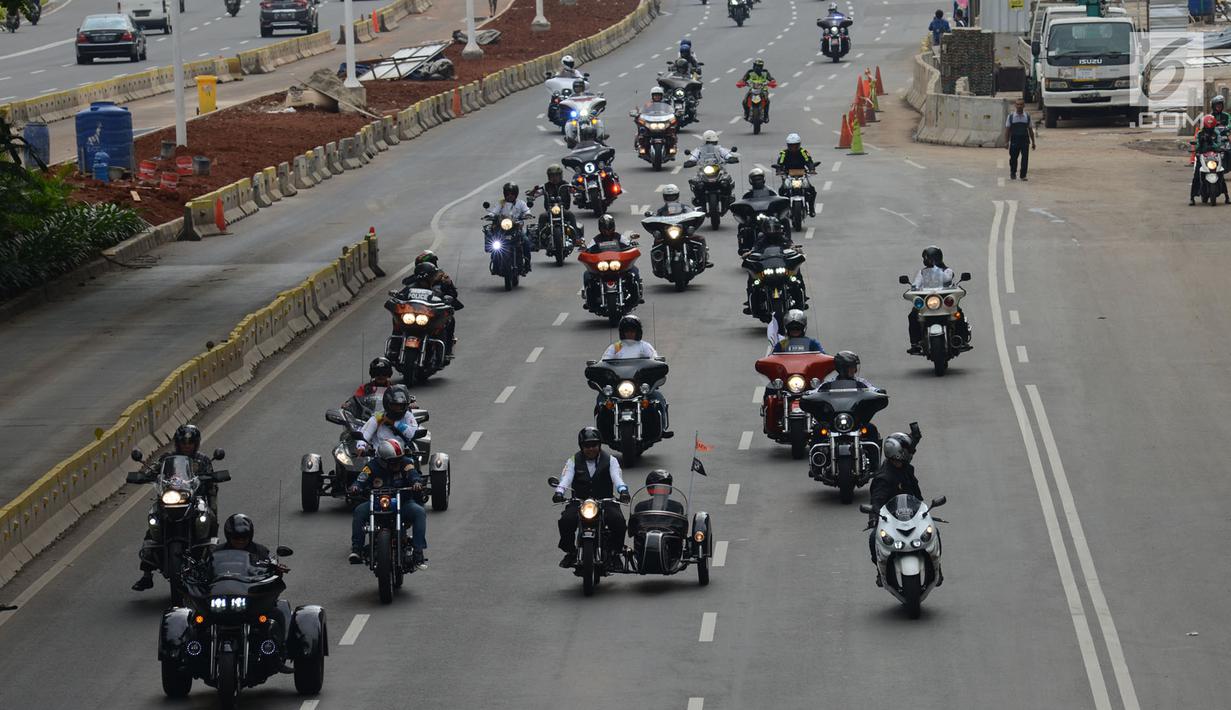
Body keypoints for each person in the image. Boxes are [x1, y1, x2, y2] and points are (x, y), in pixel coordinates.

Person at [131, 424, 220, 591]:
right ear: (178, 443)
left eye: (190, 443)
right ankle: (146, 574)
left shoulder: (203, 460)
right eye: (184, 443)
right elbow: (154, 471)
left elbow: (212, 481)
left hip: (195, 500)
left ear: (196, 444)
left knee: (210, 520)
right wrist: (143, 476)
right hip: (169, 499)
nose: (187, 446)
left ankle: (211, 564)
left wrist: (213, 478)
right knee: (153, 524)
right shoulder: (167, 459)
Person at [553, 427, 631, 568]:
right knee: (566, 520)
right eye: (586, 446)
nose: (591, 449)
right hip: (580, 501)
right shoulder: (573, 461)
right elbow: (566, 478)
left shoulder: (611, 460)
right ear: (581, 446)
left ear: (599, 445)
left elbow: (616, 477)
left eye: (594, 445)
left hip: (605, 500)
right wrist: (559, 492)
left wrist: (623, 490)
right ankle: (570, 552)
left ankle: (615, 553)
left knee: (618, 521)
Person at [347, 439, 428, 567]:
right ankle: (357, 549)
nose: (397, 464)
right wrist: (356, 487)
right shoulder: (371, 467)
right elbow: (361, 479)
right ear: (382, 460)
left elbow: (413, 474)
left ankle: (418, 552)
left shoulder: (406, 463)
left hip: (403, 503)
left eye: (399, 459)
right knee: (359, 511)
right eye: (393, 461)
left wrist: (416, 483)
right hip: (378, 504)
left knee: (419, 512)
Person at [866, 424, 930, 586]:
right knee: (874, 538)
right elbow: (877, 500)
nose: (911, 454)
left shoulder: (903, 464)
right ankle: (881, 572)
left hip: (914, 513)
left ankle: (937, 568)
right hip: (892, 519)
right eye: (907, 452)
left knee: (935, 532)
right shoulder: (884, 478)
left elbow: (909, 446)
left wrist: (915, 436)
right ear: (898, 454)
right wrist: (874, 518)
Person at [600, 315, 673, 438]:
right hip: (619, 385)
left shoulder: (644, 346)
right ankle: (601, 432)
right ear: (622, 332)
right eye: (627, 331)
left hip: (640, 385)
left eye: (632, 331)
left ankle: (662, 428)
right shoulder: (617, 347)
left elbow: (655, 360)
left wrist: (658, 365)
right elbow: (604, 361)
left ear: (638, 332)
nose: (629, 334)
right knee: (601, 401)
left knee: (658, 398)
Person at [906, 246, 971, 353]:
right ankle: (915, 343)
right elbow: (916, 284)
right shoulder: (922, 272)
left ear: (933, 258)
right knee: (913, 316)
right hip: (928, 304)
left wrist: (936, 268)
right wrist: (913, 288)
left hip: (944, 303)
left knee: (958, 314)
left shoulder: (947, 271)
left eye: (926, 258)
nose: (925, 261)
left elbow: (947, 279)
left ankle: (962, 340)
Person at [583, 214, 643, 307]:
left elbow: (628, 244)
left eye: (609, 228)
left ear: (613, 227)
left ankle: (637, 293)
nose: (607, 231)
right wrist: (585, 250)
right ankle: (589, 299)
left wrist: (632, 244)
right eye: (604, 228)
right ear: (600, 228)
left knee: (634, 271)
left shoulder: (618, 237)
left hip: (618, 264)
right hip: (602, 266)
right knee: (587, 275)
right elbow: (588, 249)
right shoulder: (596, 240)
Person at [487, 182, 535, 275]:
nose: (510, 195)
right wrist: (490, 215)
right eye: (507, 193)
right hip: (502, 229)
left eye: (512, 193)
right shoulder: (501, 203)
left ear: (516, 194)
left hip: (517, 228)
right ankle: (495, 264)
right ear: (504, 194)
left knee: (526, 242)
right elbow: (494, 211)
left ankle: (527, 264)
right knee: (495, 244)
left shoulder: (521, 203)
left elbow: (526, 210)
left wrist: (528, 214)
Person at [357, 385, 419, 455]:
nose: (398, 408)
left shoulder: (408, 416)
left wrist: (393, 423)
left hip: (402, 455)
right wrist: (361, 446)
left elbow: (411, 433)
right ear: (387, 404)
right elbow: (366, 432)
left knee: (410, 466)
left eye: (401, 405)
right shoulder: (379, 416)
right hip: (379, 456)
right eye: (395, 405)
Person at [627, 470, 686, 540]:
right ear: (650, 488)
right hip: (644, 542)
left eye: (666, 485)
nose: (663, 488)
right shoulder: (641, 507)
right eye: (659, 486)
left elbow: (680, 530)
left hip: (670, 543)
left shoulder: (676, 507)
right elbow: (635, 528)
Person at [535, 164, 581, 245]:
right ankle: (540, 238)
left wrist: (577, 192)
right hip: (550, 210)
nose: (554, 178)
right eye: (552, 176)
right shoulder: (546, 186)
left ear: (560, 175)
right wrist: (532, 194)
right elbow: (536, 193)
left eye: (556, 175)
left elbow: (573, 190)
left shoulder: (565, 184)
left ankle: (576, 238)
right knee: (542, 216)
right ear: (549, 177)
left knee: (570, 215)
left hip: (563, 209)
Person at [775, 133, 819, 216]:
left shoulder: (803, 152)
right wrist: (779, 169)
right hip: (788, 175)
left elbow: (809, 161)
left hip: (802, 174)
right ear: (788, 145)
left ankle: (811, 208)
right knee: (781, 191)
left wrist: (812, 168)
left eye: (795, 146)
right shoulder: (784, 153)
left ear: (799, 145)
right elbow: (780, 162)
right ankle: (781, 211)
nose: (793, 148)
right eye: (791, 146)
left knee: (812, 190)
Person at [1191, 115, 1230, 205]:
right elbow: (1196, 145)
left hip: (1214, 156)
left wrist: (1212, 142)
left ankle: (1227, 196)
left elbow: (1219, 144)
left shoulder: (1217, 133)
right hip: (1202, 156)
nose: (1210, 129)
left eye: (1211, 127)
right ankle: (1192, 198)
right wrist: (1200, 143)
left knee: (1221, 173)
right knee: (1196, 175)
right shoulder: (1200, 133)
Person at [1003, 99, 1036, 181]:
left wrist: (1033, 142)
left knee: (1025, 158)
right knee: (1013, 158)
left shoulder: (1027, 117)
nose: (1019, 106)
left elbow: (1030, 130)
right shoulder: (1011, 117)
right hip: (1014, 140)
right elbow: (1007, 130)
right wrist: (1006, 142)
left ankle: (1023, 175)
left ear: (1024, 106)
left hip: (1024, 140)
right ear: (1015, 106)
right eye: (1017, 104)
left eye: (1021, 104)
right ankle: (1013, 172)